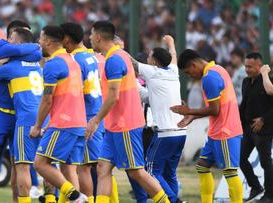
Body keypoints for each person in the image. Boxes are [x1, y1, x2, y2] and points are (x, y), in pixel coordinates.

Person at [86, 21, 169, 203]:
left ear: (99, 36)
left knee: (136, 171)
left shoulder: (115, 59)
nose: (90, 38)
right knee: (102, 168)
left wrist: (95, 120)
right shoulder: (119, 56)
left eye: (91, 34)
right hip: (114, 125)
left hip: (125, 124)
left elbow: (114, 96)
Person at [0, 20, 42, 203]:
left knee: (17, 163)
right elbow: (33, 51)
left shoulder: (19, 57)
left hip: (20, 116)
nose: (27, 40)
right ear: (11, 34)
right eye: (21, 34)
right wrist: (31, 48)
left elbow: (36, 52)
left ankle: (17, 200)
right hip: (0, 112)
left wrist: (20, 54)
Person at [171, 49, 243, 203]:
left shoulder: (209, 78)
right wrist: (192, 116)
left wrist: (190, 110)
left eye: (188, 72)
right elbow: (216, 108)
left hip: (225, 131)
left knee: (230, 172)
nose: (190, 76)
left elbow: (215, 110)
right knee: (202, 166)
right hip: (216, 131)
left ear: (194, 64)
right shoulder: (218, 69)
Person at [29, 25, 88, 203]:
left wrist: (38, 126)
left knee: (40, 163)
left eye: (40, 38)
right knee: (69, 169)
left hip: (64, 124)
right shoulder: (72, 61)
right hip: (78, 123)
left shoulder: (53, 64)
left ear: (47, 41)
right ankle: (77, 199)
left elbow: (47, 100)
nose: (38, 42)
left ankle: (77, 197)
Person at [131, 35, 186, 203]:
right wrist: (171, 43)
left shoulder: (152, 72)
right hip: (181, 133)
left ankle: (173, 201)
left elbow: (132, 63)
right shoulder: (173, 71)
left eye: (149, 56)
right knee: (170, 173)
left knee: (150, 172)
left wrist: (114, 49)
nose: (147, 59)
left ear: (154, 62)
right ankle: (174, 198)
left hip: (165, 134)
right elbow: (174, 57)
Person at [59, 22, 104, 203]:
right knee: (86, 167)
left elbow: (75, 92)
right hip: (95, 113)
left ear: (67, 39)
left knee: (82, 168)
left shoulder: (75, 60)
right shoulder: (91, 56)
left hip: (85, 117)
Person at [239, 53, 273, 203]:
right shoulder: (246, 82)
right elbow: (244, 104)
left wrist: (263, 119)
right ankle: (256, 187)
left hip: (264, 130)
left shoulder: (268, 82)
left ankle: (270, 195)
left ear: (259, 66)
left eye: (250, 66)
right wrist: (239, 124)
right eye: (245, 66)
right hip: (247, 129)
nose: (246, 69)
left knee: (266, 163)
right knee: (240, 159)